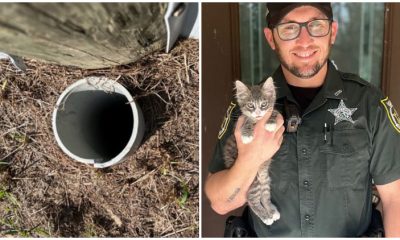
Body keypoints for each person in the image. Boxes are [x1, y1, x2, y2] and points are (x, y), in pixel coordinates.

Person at [204, 3, 400, 237]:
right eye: (289, 28)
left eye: (316, 25)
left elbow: (395, 199)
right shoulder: (246, 108)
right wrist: (251, 156)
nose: (304, 40)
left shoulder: (369, 104)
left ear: (332, 32)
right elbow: (221, 202)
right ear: (271, 38)